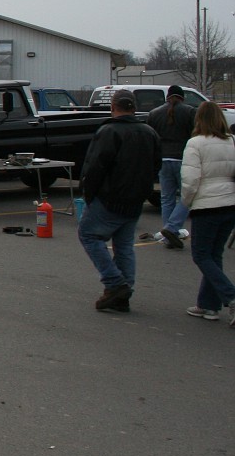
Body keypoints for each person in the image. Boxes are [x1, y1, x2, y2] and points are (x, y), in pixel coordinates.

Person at [77, 88, 162, 312]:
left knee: (88, 234)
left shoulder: (109, 131)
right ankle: (123, 292)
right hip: (135, 199)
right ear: (133, 107)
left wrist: (87, 192)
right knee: (124, 246)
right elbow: (156, 164)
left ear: (113, 107)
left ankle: (115, 283)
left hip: (110, 197)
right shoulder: (149, 132)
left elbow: (95, 166)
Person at [179, 101, 235, 324]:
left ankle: (230, 296)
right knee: (214, 255)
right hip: (230, 203)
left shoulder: (195, 143)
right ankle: (208, 305)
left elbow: (190, 179)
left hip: (207, 205)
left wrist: (187, 202)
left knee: (201, 255)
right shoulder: (231, 141)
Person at [146, 85, 196, 249]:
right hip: (183, 159)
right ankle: (171, 228)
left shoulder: (154, 114)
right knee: (187, 196)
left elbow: (151, 137)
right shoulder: (189, 112)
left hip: (163, 159)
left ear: (167, 97)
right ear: (182, 97)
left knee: (166, 198)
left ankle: (169, 236)